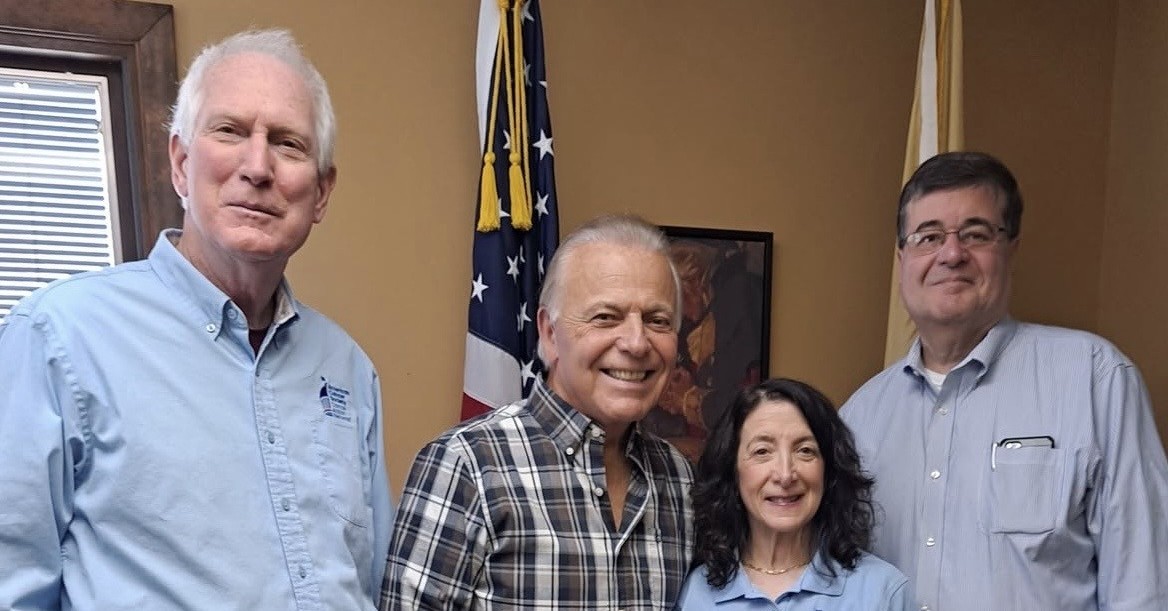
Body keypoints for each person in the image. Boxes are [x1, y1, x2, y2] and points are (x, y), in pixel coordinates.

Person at [0, 29, 392, 610]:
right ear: (181, 164)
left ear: (322, 192)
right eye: (230, 131)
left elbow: (373, 582)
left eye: (288, 144)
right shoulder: (59, 337)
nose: (257, 167)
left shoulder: (348, 370)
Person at [841, 151, 1168, 610]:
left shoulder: (1096, 380)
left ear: (1011, 249)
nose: (951, 254)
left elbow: (1144, 588)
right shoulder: (858, 419)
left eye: (975, 234)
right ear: (902, 259)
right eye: (928, 237)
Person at [380, 214, 694, 610]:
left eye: (657, 320)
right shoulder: (467, 466)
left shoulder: (680, 480)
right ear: (549, 332)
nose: (636, 342)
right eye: (605, 317)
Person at [676, 378, 912, 609]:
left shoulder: (883, 593)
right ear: (732, 470)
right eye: (762, 451)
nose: (785, 474)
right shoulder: (695, 593)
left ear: (829, 469)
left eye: (805, 450)